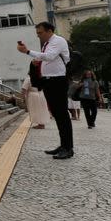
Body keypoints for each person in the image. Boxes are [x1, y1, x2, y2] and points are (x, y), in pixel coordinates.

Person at [17, 22, 74, 159]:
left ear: (49, 31)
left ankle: (68, 148)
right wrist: (35, 61)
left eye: (40, 33)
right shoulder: (47, 43)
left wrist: (27, 52)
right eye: (37, 33)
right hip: (49, 81)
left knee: (62, 114)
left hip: (58, 81)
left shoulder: (58, 41)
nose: (38, 36)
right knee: (56, 113)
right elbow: (45, 58)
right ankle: (63, 145)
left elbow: (49, 56)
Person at [21, 62, 51, 129]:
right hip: (41, 94)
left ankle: (40, 124)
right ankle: (41, 123)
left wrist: (23, 98)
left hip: (33, 95)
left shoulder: (29, 78)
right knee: (42, 109)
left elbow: (24, 89)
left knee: (36, 110)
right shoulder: (40, 77)